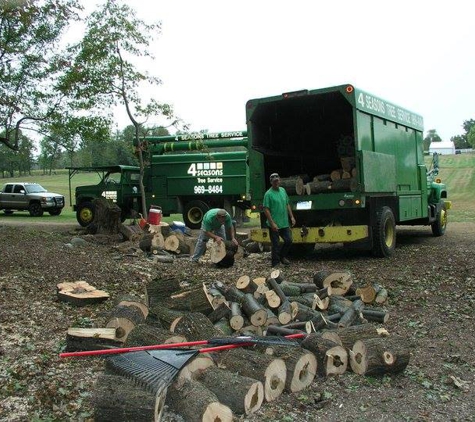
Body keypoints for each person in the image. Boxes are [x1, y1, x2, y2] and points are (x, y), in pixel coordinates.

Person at [263, 173, 296, 267]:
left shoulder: (283, 190)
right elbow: (266, 209)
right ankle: (275, 263)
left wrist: (292, 217)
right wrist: (272, 223)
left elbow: (287, 204)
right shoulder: (268, 194)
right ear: (271, 182)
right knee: (276, 244)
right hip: (274, 224)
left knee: (289, 240)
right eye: (274, 181)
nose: (276, 183)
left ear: (279, 181)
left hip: (284, 223)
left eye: (277, 181)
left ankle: (282, 257)